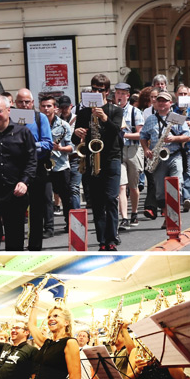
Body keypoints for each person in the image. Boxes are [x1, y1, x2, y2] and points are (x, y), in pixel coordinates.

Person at [71, 74, 124, 251]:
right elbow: (73, 139)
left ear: (107, 92)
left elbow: (116, 132)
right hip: (92, 160)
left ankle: (111, 238)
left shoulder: (115, 110)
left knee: (111, 199)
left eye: (100, 90)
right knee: (98, 203)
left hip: (111, 159)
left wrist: (104, 118)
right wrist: (77, 133)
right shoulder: (84, 111)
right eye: (93, 89)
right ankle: (102, 241)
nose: (96, 92)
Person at [0, 96, 37, 251]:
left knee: (15, 239)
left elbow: (31, 160)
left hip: (15, 194)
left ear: (8, 111)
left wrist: (24, 181)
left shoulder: (23, 132)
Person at [139, 91, 190, 228]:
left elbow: (187, 136)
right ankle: (167, 216)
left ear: (170, 103)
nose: (162, 103)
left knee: (177, 185)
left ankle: (175, 217)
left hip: (175, 155)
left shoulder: (177, 117)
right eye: (159, 100)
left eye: (165, 101)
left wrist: (175, 138)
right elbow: (143, 136)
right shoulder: (150, 119)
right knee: (160, 191)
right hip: (158, 158)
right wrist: (146, 149)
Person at [14, 89, 54, 251]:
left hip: (36, 169)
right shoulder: (10, 118)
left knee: (37, 212)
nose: (24, 105)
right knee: (16, 212)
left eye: (27, 102)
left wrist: (28, 146)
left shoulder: (40, 118)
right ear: (15, 104)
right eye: (20, 102)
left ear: (32, 103)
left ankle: (35, 247)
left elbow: (48, 144)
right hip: (16, 170)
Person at [40, 96, 74, 235]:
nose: (46, 109)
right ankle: (48, 227)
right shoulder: (37, 124)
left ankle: (69, 223)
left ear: (55, 108)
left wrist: (60, 148)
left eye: (49, 106)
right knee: (47, 197)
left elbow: (72, 147)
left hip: (60, 166)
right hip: (43, 165)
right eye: (43, 106)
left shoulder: (63, 125)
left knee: (66, 197)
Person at [114, 82, 145, 231]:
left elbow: (141, 134)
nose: (119, 96)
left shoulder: (135, 112)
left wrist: (124, 134)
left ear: (127, 95)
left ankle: (134, 212)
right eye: (117, 93)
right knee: (121, 185)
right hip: (118, 150)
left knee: (133, 186)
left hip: (133, 149)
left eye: (122, 93)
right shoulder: (111, 110)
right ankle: (124, 218)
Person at [28, 303, 81, 379]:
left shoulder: (70, 342)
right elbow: (31, 325)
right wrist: (35, 304)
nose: (51, 319)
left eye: (56, 316)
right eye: (49, 317)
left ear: (66, 322)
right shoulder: (47, 343)